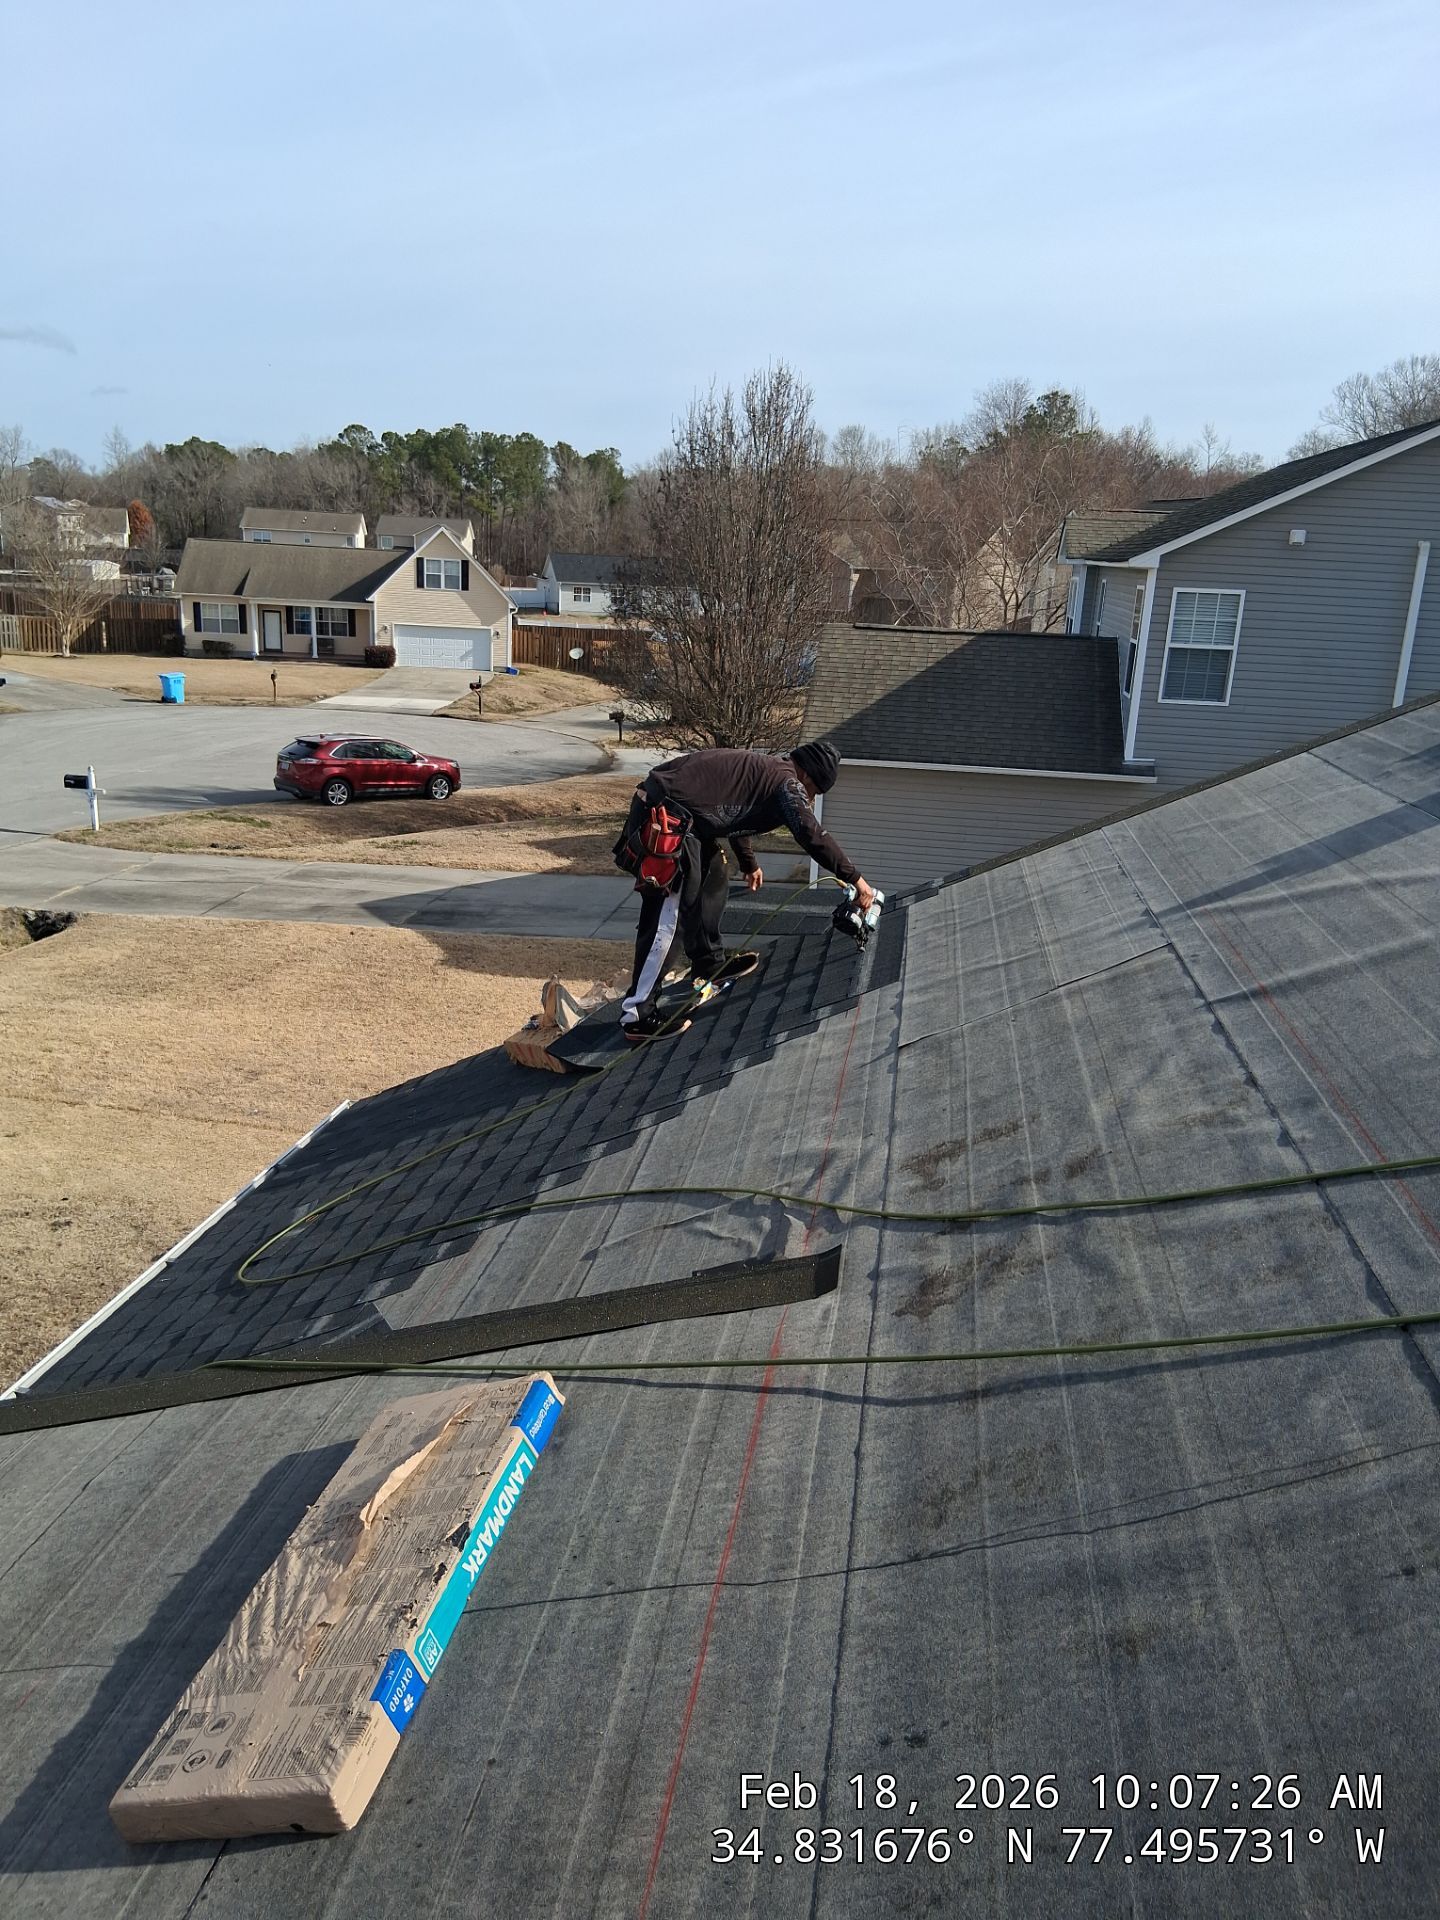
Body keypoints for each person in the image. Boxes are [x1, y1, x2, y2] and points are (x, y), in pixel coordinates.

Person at [613, 738, 876, 1043]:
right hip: (665, 817)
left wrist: (748, 863)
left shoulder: (769, 773)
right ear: (808, 776)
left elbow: (735, 816)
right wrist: (856, 879)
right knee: (669, 915)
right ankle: (637, 1013)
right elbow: (809, 832)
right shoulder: (786, 782)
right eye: (815, 791)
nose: (812, 799)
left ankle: (710, 962)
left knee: (713, 874)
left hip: (684, 817)